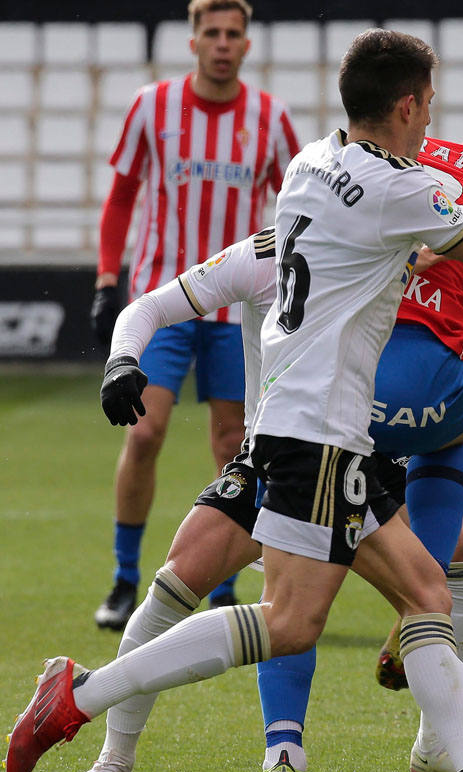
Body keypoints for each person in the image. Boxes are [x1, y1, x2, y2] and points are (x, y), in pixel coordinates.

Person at [7, 29, 463, 772]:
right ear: (406, 104)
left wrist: (125, 355)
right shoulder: (402, 191)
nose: (433, 120)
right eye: (428, 103)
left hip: (326, 434)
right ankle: (78, 697)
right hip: (316, 433)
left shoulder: (309, 166)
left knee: (428, 590)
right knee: (289, 619)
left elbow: (304, 265)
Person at [252, 83, 463, 772]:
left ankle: (282, 750)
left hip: (297, 394)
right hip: (384, 397)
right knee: (452, 447)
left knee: (265, 578)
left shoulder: (382, 158)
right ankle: (430, 696)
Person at [91, 0, 299, 630]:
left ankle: (223, 584)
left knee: (233, 445)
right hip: (168, 299)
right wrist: (107, 279)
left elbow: (299, 201)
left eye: (233, 33)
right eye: (212, 32)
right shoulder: (152, 107)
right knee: (145, 432)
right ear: (193, 41)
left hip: (238, 309)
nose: (222, 43)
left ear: (246, 43)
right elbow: (122, 198)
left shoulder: (270, 118)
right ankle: (126, 579)